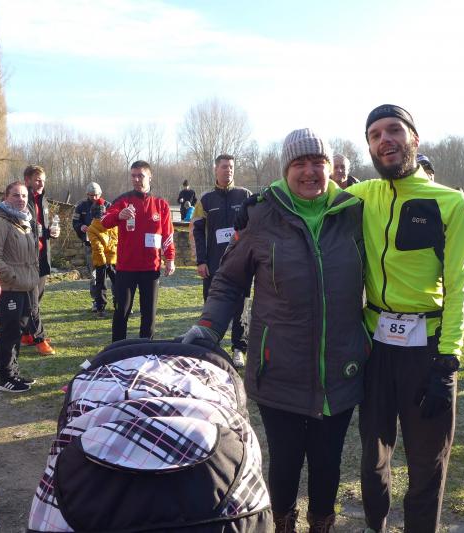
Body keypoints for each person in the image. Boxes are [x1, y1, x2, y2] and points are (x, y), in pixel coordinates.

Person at [183, 128, 368, 532]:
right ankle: (282, 523)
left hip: (340, 367)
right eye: (299, 163)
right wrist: (209, 327)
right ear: (285, 169)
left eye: (317, 162)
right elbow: (229, 281)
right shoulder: (262, 215)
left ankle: (322, 523)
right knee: (285, 460)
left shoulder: (354, 213)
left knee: (328, 460)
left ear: (330, 167)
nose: (309, 171)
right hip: (278, 367)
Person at [345, 105, 464, 533]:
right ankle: (375, 525)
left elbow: (459, 285)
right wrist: (260, 199)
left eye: (394, 130)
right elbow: (307, 188)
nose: (385, 139)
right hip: (375, 346)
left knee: (427, 461)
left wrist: (448, 360)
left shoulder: (450, 203)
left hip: (428, 350)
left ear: (414, 139)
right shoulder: (362, 195)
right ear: (369, 147)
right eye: (375, 134)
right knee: (372, 455)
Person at [103, 160, 175, 341]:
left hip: (151, 268)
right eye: (133, 176)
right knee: (122, 311)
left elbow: (167, 235)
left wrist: (170, 259)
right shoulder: (123, 201)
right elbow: (104, 221)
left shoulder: (161, 204)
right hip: (126, 267)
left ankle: (146, 349)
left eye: (140, 175)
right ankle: (118, 349)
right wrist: (118, 215)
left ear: (150, 177)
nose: (136, 179)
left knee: (149, 313)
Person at [191, 154, 251, 368]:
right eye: (224, 167)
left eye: (231, 167)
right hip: (214, 263)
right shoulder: (206, 200)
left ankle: (239, 348)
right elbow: (197, 232)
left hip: (241, 263)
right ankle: (210, 346)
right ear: (215, 169)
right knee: (211, 305)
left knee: (241, 306)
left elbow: (254, 227)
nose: (229, 170)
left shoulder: (244, 195)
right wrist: (201, 261)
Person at [0, 181, 40, 393]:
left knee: (17, 332)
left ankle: (14, 374)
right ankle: (6, 378)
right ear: (6, 197)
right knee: (8, 332)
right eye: (16, 195)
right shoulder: (1, 222)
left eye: (24, 195)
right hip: (10, 287)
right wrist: (13, 276)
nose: (21, 199)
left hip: (26, 286)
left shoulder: (24, 221)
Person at [20, 164, 59, 355]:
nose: (41, 183)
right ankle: (39, 339)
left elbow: (41, 228)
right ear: (27, 180)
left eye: (43, 180)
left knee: (36, 299)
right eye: (37, 180)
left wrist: (51, 232)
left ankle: (26, 334)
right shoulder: (21, 200)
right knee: (32, 301)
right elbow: (23, 227)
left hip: (43, 256)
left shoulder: (43, 200)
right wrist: (43, 231)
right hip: (27, 258)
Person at [72, 181, 103, 312]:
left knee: (114, 274)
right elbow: (75, 222)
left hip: (107, 247)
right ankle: (96, 300)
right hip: (90, 246)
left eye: (96, 195)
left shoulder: (107, 205)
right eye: (91, 195)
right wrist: (81, 227)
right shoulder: (81, 207)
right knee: (94, 275)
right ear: (87, 194)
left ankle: (117, 300)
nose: (94, 198)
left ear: (100, 193)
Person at [86, 198, 118, 318]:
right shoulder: (112, 225)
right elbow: (115, 240)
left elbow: (97, 246)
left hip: (100, 261)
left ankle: (100, 308)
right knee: (117, 283)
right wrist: (111, 255)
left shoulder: (91, 228)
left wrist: (104, 260)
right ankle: (119, 304)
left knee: (100, 285)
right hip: (113, 258)